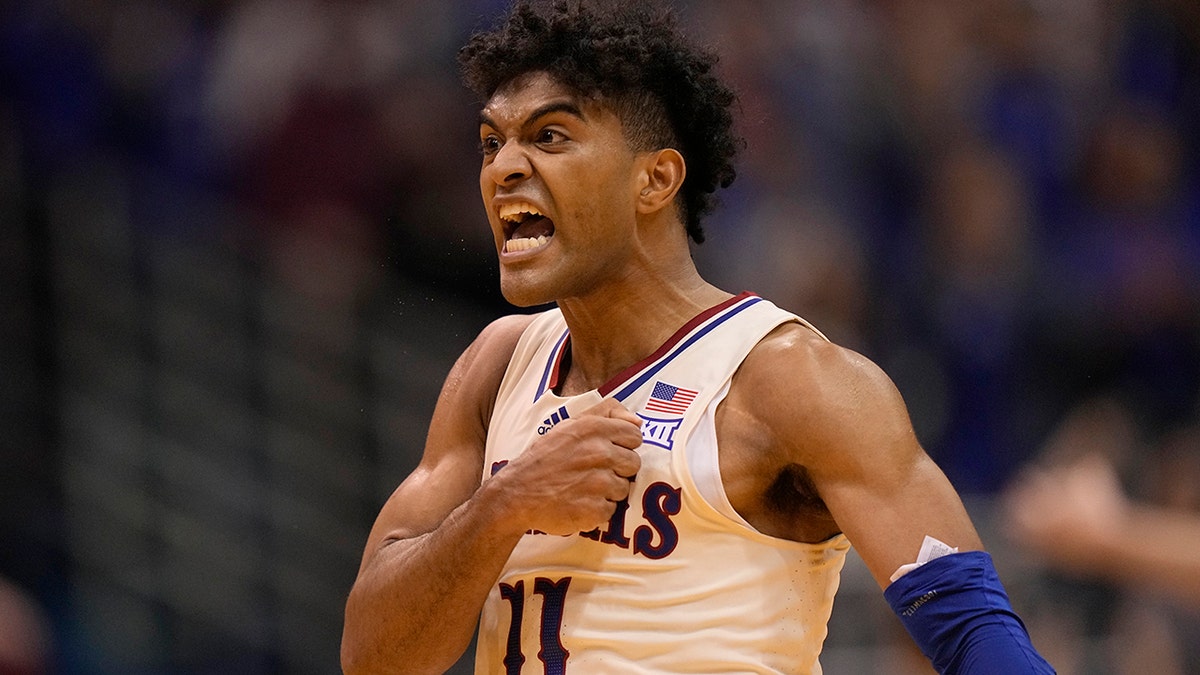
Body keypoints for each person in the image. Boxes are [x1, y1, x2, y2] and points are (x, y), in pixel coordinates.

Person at [341, 1, 1054, 673]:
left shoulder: (784, 376)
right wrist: (502, 507)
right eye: (492, 142)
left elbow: (971, 628)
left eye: (549, 136)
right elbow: (371, 657)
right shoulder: (495, 366)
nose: (504, 168)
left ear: (655, 180)